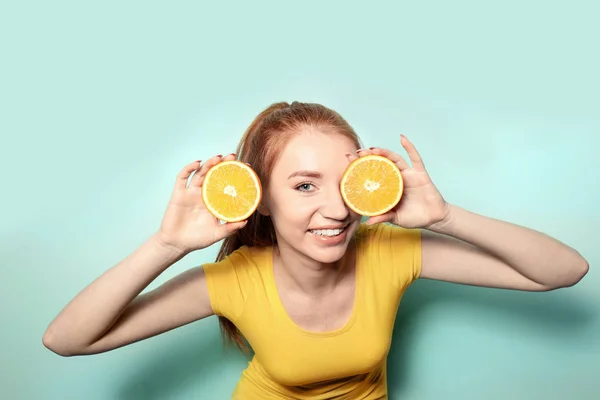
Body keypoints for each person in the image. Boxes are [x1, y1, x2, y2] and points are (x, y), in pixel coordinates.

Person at [43, 101, 589, 399]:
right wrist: (165, 245)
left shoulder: (389, 251)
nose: (336, 208)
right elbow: (66, 340)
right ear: (259, 198)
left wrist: (447, 217)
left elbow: (564, 270)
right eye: (304, 186)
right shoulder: (236, 280)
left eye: (346, 178)